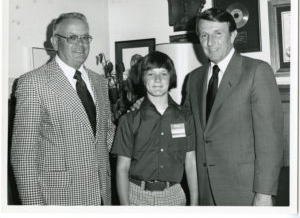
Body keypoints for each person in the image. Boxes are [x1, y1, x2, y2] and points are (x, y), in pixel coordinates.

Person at [10, 12, 115, 205]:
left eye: (85, 38)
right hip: (59, 198)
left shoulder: (100, 82)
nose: (81, 45)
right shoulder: (33, 83)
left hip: (101, 195)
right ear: (56, 42)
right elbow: (23, 155)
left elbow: (107, 134)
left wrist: (138, 121)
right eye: (72, 38)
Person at [182, 7, 283, 206]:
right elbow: (183, 122)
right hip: (205, 192)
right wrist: (151, 106)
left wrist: (264, 194)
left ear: (233, 35)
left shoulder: (256, 72)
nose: (210, 42)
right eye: (204, 35)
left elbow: (270, 141)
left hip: (245, 193)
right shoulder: (193, 79)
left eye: (217, 34)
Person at [111, 51, 198, 206]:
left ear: (171, 78)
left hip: (174, 196)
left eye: (163, 73)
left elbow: (190, 163)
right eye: (150, 74)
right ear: (142, 78)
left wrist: (195, 203)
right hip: (136, 196)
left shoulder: (185, 118)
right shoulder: (129, 120)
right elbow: (122, 168)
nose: (157, 79)